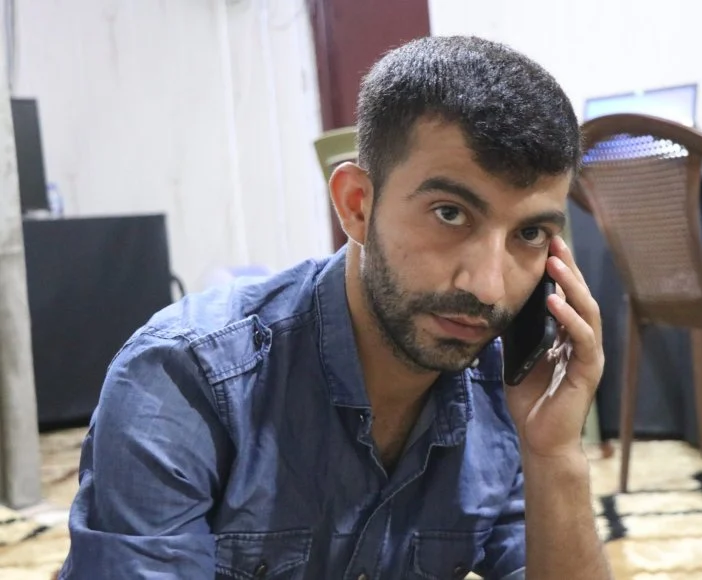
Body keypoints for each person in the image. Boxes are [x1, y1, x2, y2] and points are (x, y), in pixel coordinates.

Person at [59, 35, 611, 579]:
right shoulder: (184, 379)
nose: (489, 288)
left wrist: (554, 454)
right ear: (356, 205)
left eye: (529, 233)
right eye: (450, 213)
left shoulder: (504, 387)